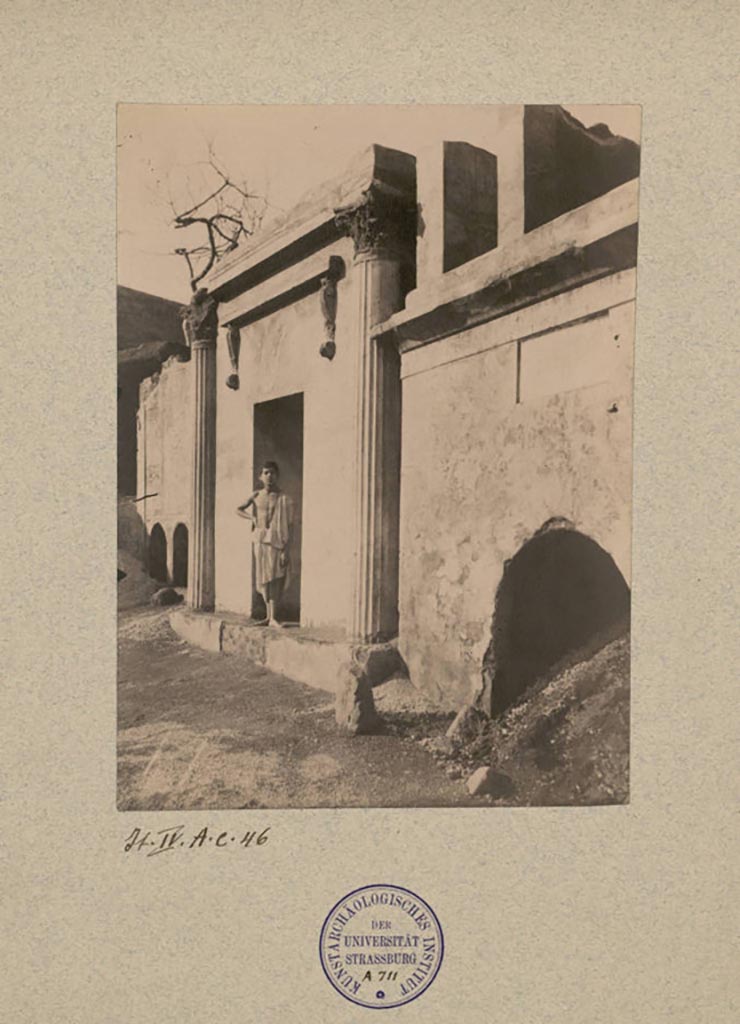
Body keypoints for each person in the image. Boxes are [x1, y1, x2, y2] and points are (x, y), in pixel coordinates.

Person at [236, 461, 293, 627]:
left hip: (276, 541)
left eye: (273, 473)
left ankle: (274, 617)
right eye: (266, 473)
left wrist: (286, 551)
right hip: (260, 540)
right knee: (263, 578)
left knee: (275, 577)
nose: (270, 476)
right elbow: (238, 509)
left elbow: (290, 526)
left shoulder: (284, 499)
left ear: (277, 476)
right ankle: (268, 617)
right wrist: (252, 518)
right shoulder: (256, 496)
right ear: (260, 476)